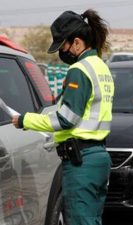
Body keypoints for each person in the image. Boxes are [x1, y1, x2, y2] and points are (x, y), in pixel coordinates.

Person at [12, 9, 114, 225]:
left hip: (81, 162)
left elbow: (66, 119)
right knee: (92, 220)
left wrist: (25, 120)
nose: (62, 51)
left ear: (77, 42)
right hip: (98, 158)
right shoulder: (101, 68)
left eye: (63, 45)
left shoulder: (80, 70)